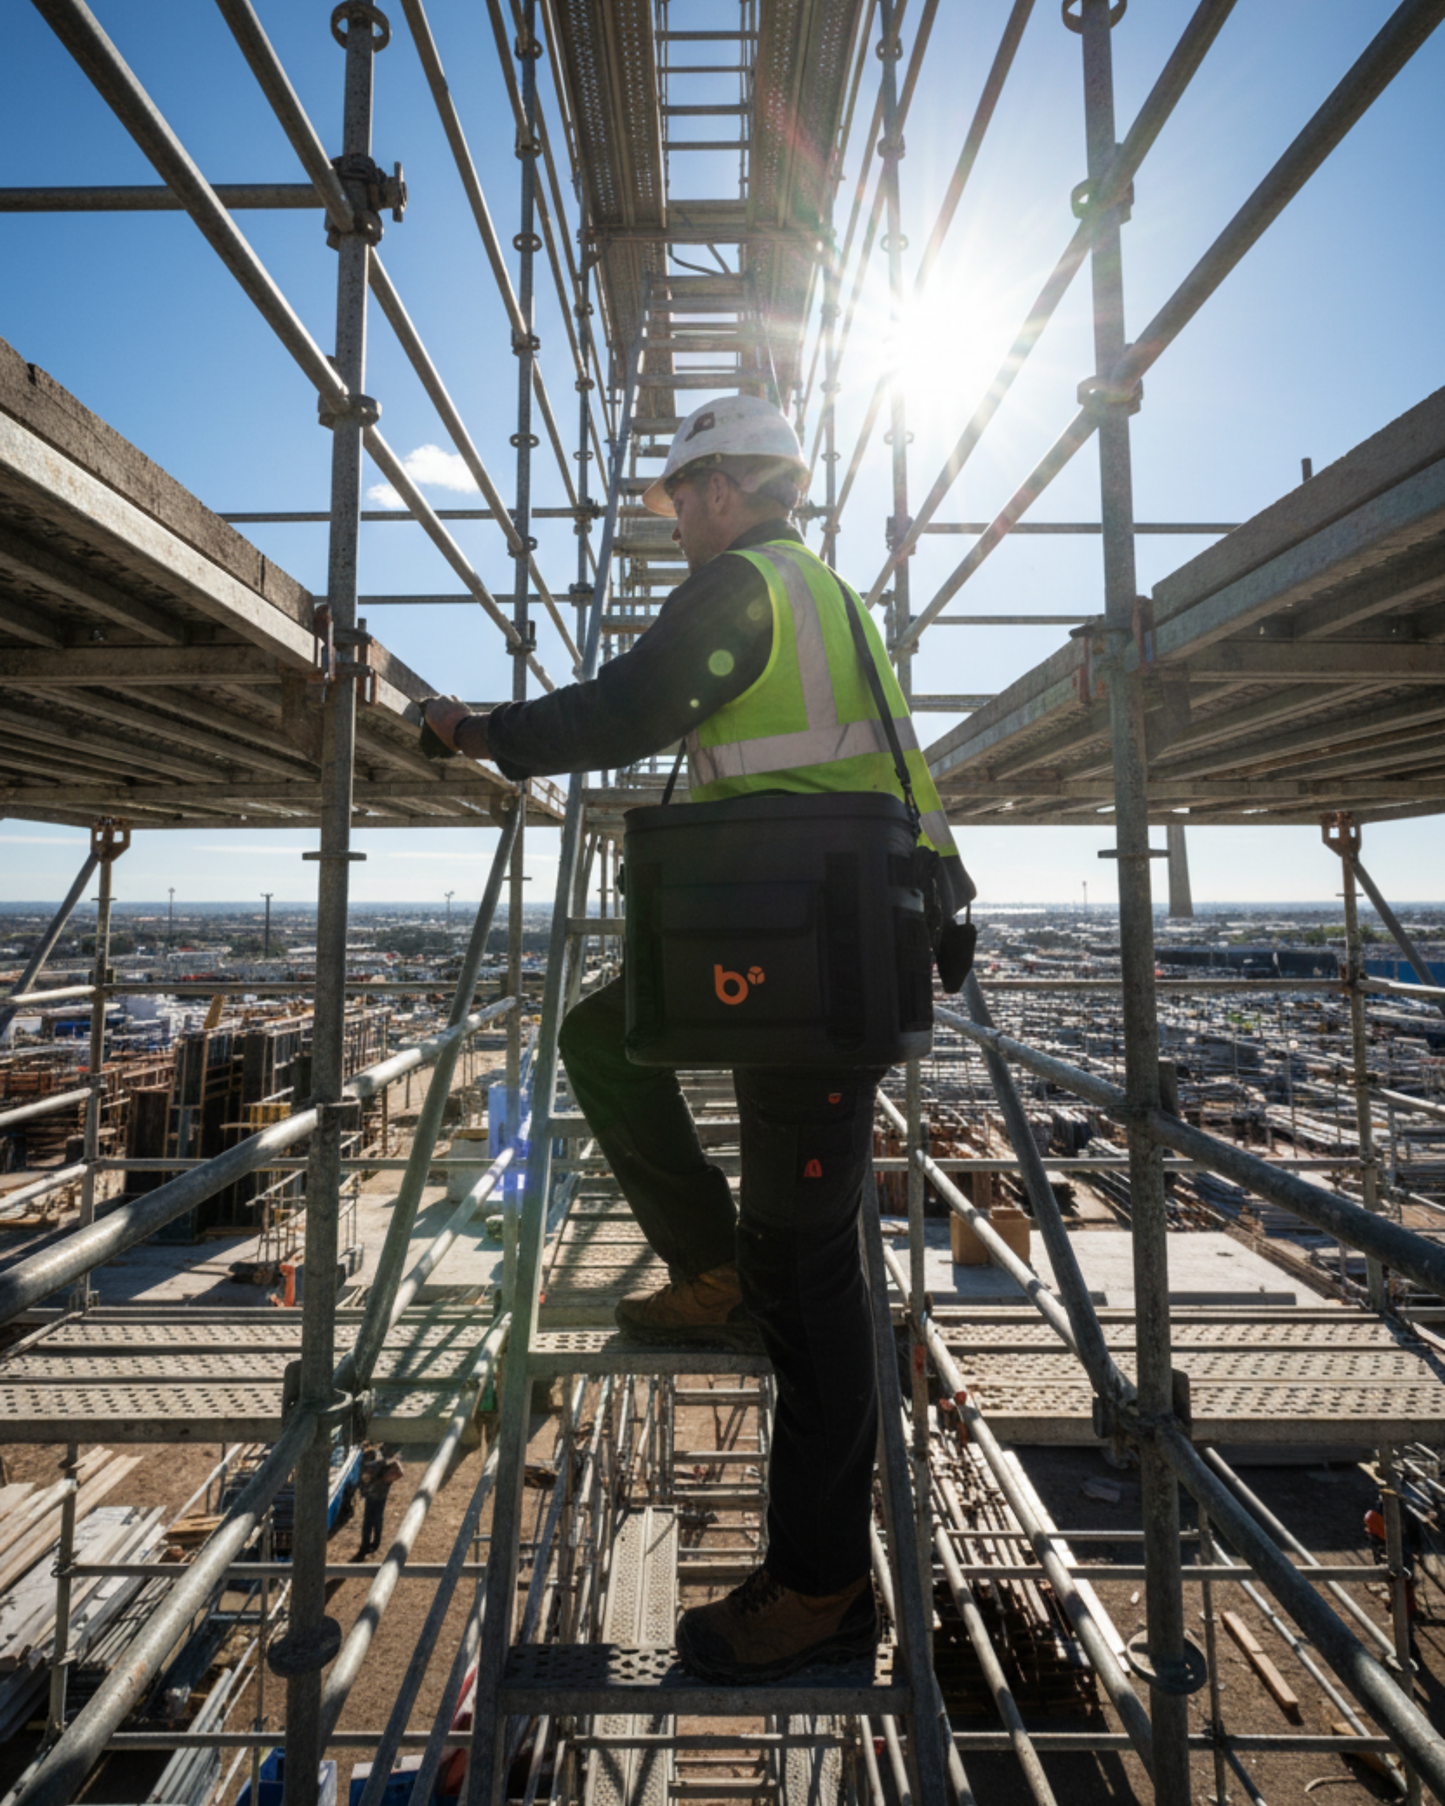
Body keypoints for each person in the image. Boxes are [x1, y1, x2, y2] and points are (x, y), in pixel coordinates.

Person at [421, 395, 970, 1684]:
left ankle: (821, 1584)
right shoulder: (814, 595)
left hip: (817, 956)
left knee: (813, 1281)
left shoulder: (749, 585)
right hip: (799, 925)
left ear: (724, 488)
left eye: (677, 502)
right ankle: (711, 1263)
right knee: (606, 1037)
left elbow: (624, 711)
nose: (672, 526)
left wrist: (478, 732)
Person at [356, 1442, 403, 1560]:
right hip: (378, 1494)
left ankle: (365, 1546)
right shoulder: (382, 1462)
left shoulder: (377, 1464)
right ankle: (374, 1543)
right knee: (377, 1519)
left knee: (369, 1522)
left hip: (375, 1495)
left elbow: (366, 1479)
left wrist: (377, 1482)